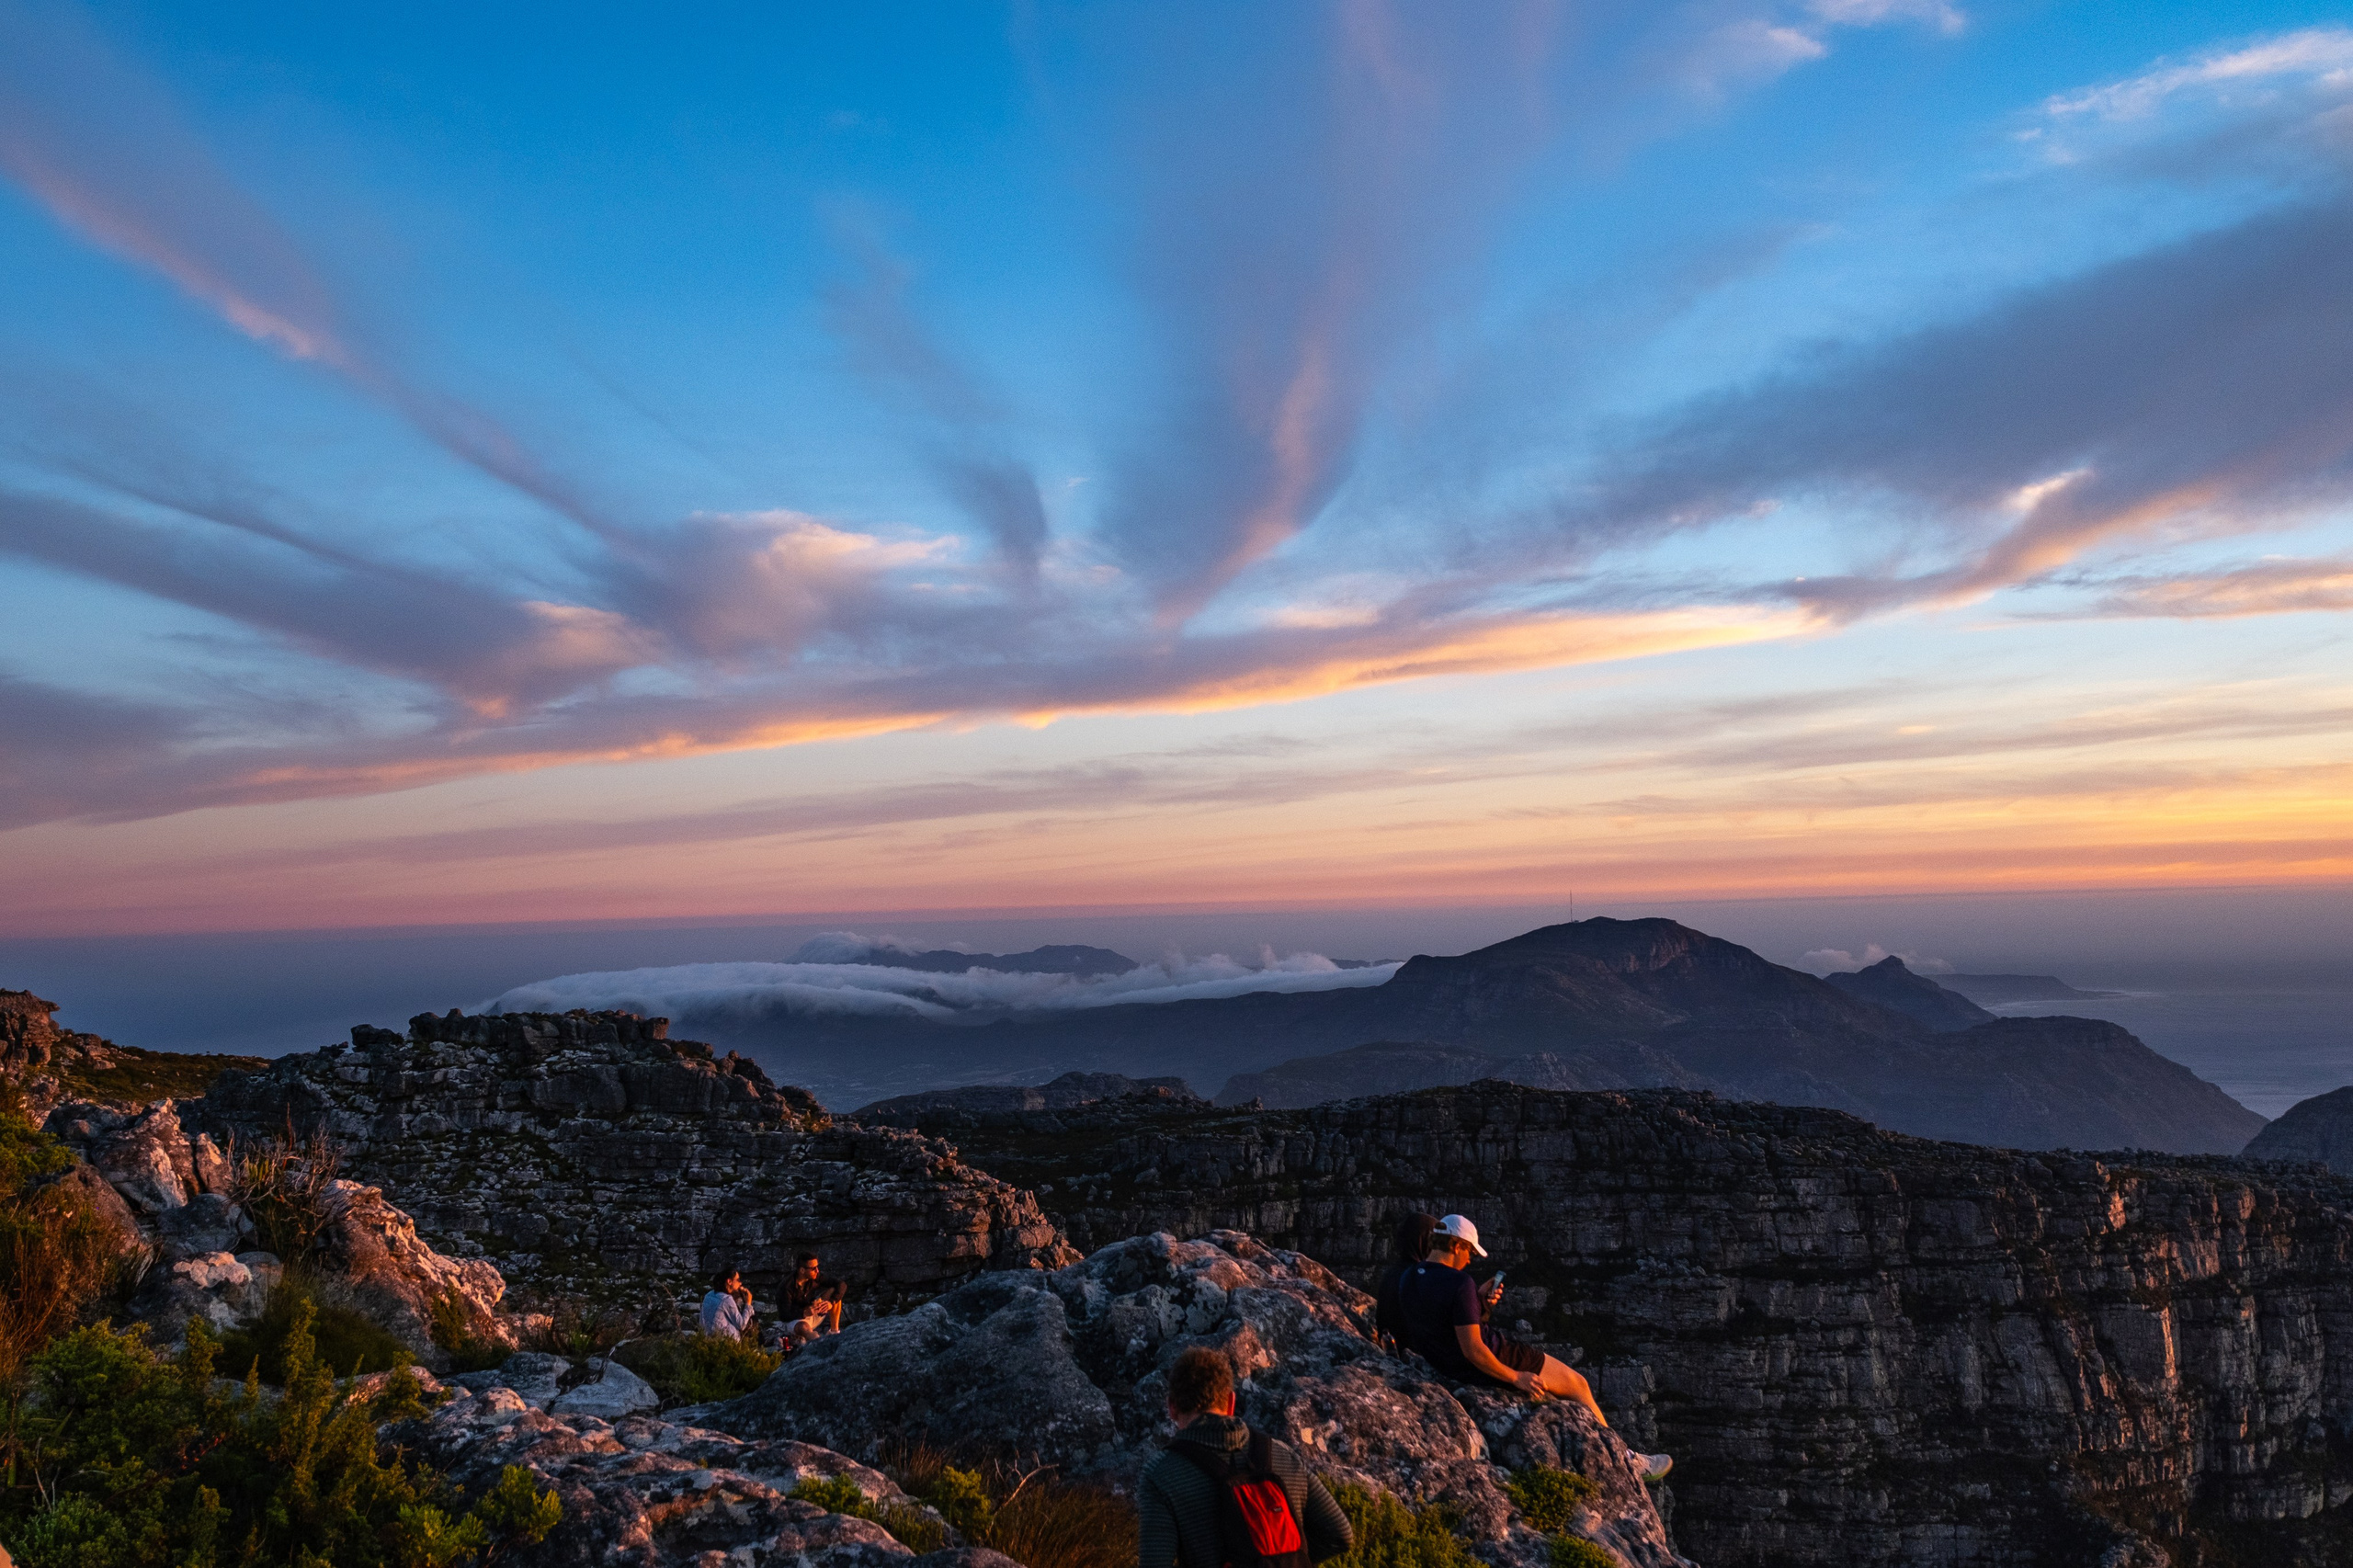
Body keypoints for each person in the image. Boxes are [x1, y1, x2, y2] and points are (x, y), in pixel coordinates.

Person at [1397, 1213, 1673, 1481]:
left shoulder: (1409, 1277)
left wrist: (1478, 1303)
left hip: (1446, 1364)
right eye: (1469, 1252)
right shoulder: (1459, 1283)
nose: (1469, 1260)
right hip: (1495, 1358)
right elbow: (1474, 1350)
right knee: (1578, 1385)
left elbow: (1440, 1323)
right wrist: (1516, 1377)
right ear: (1457, 1245)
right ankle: (1626, 1458)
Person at [1139, 1346, 1355, 1568]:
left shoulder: (1162, 1474)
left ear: (1171, 1407)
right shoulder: (1282, 1454)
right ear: (1231, 1402)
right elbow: (1340, 1533)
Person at [1373, 1211, 1439, 1350]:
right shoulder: (1419, 1279)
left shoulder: (1390, 1274)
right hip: (1415, 1359)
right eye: (1434, 1240)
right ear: (1424, 1240)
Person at [778, 1251, 846, 1347]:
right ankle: (820, 1344)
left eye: (817, 1267)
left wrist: (831, 1302)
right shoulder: (786, 1287)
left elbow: (841, 1284)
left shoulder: (815, 1277)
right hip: (795, 1321)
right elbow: (784, 1315)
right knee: (803, 1327)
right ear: (802, 1270)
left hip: (812, 1311)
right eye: (813, 1268)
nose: (817, 1271)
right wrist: (803, 1313)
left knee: (834, 1291)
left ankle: (834, 1332)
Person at [701, 1266, 755, 1340]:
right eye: (738, 1280)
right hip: (724, 1342)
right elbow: (741, 1325)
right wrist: (748, 1304)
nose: (740, 1283)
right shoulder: (726, 1299)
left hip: (706, 1338)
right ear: (729, 1281)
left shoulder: (709, 1295)